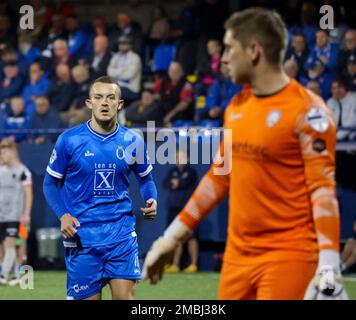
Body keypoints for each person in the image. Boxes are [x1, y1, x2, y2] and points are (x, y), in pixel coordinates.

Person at [143, 8, 347, 300]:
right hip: (237, 257)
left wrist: (328, 269)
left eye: (229, 48)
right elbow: (219, 177)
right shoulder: (236, 106)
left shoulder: (310, 112)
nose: (223, 58)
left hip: (288, 255)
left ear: (254, 51)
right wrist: (171, 237)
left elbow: (323, 192)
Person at [42, 76, 158, 300]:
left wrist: (151, 199)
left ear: (120, 104)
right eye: (99, 97)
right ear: (89, 103)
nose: (104, 103)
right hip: (82, 238)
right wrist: (63, 215)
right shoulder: (69, 140)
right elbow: (49, 184)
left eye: (110, 97)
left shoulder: (133, 140)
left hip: (121, 235)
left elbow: (146, 179)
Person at [0, 138, 33, 286]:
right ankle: (14, 276)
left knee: (19, 245)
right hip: (2, 216)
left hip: (18, 216)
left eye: (4, 151)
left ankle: (16, 275)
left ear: (13, 152)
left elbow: (29, 193)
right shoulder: (2, 170)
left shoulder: (23, 171)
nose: (2, 155)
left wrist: (26, 213)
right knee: (4, 248)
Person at [163, 149, 198, 273]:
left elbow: (185, 183)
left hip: (187, 209)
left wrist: (178, 182)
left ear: (187, 158)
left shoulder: (192, 171)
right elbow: (165, 183)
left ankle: (193, 264)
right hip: (173, 208)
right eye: (176, 158)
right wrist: (177, 182)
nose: (178, 160)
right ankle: (175, 265)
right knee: (175, 237)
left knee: (191, 237)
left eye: (181, 157)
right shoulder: (172, 171)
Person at [107, 35, 142, 103]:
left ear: (130, 45)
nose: (122, 45)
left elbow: (128, 76)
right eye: (120, 43)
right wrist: (123, 70)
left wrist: (116, 70)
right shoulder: (116, 56)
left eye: (125, 43)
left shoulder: (135, 58)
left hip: (130, 89)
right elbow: (109, 72)